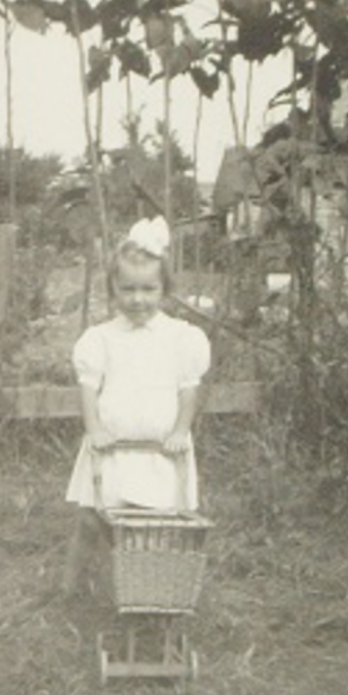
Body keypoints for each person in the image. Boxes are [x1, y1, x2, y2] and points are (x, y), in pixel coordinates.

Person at [63, 216, 211, 596]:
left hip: (160, 449)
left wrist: (180, 430)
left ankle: (147, 591)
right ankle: (73, 588)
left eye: (148, 289)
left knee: (152, 526)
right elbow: (89, 387)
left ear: (164, 288)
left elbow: (188, 388)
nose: (138, 299)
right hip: (111, 446)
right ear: (113, 288)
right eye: (127, 289)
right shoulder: (102, 338)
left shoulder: (180, 338)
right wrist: (95, 429)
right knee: (92, 518)